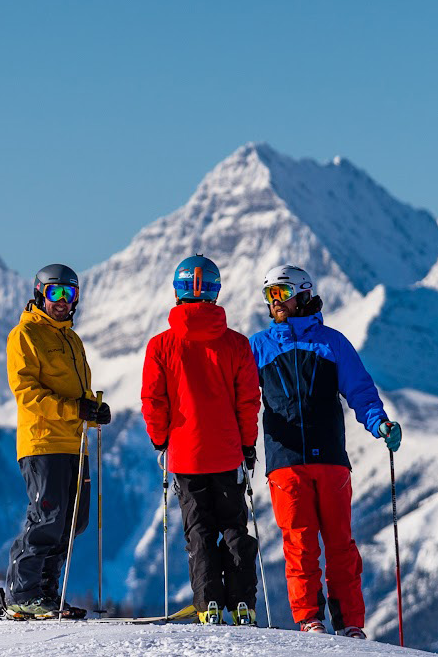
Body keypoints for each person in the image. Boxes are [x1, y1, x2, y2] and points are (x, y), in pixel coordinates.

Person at [250, 264, 404, 637]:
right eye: (270, 296)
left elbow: (360, 391)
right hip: (285, 461)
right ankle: (309, 620)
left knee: (340, 544)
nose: (275, 303)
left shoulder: (332, 343)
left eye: (280, 293)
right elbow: (240, 399)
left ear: (302, 293)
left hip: (331, 458)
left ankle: (350, 624)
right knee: (299, 544)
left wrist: (379, 422)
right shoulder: (258, 346)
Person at [141, 255, 262, 625]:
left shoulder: (161, 346)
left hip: (185, 456)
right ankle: (243, 603)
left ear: (178, 292)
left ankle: (208, 604)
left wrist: (160, 440)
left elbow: (153, 400)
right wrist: (247, 445)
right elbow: (248, 401)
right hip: (227, 453)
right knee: (233, 527)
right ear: (215, 290)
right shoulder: (237, 345)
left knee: (199, 531)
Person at [3, 262, 111, 619]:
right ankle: (24, 592)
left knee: (73, 521)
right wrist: (74, 409)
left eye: (70, 294)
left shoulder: (71, 339)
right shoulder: (26, 335)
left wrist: (93, 410)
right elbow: (27, 393)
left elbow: (75, 392)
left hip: (73, 444)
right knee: (47, 517)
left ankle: (46, 592)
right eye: (55, 293)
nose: (63, 301)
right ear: (40, 294)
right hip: (43, 442)